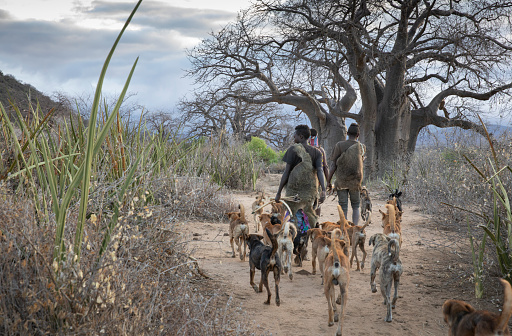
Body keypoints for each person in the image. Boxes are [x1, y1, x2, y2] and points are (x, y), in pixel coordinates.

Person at [275, 124, 326, 229]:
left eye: (295, 136)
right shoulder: (317, 152)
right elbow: (320, 170)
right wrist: (323, 190)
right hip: (310, 192)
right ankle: (307, 235)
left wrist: (279, 192)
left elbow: (286, 172)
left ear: (301, 136)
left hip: (294, 191)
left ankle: (297, 236)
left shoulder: (292, 150)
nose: (294, 138)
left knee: (294, 215)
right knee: (308, 213)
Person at [327, 122, 366, 226]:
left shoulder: (339, 145)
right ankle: (355, 228)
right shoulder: (361, 147)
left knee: (343, 206)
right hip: (356, 182)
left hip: (342, 181)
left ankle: (344, 228)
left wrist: (328, 181)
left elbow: (333, 165)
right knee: (356, 206)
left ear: (347, 133)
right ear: (358, 135)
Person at [309, 128, 329, 216]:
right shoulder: (321, 150)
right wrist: (328, 182)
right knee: (317, 203)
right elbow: (325, 167)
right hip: (318, 181)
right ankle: (316, 221)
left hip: (306, 180)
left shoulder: (303, 149)